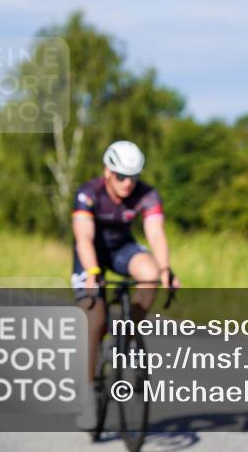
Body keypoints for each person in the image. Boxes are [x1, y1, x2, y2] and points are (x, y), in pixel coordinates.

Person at [70, 140, 180, 430]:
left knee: (151, 273)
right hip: (91, 255)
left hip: (122, 250)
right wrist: (93, 271)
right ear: (107, 171)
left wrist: (166, 269)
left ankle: (127, 336)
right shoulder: (88, 193)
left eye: (133, 176)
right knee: (95, 318)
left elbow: (155, 234)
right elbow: (83, 237)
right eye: (121, 176)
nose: (128, 183)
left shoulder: (147, 195)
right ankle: (88, 393)